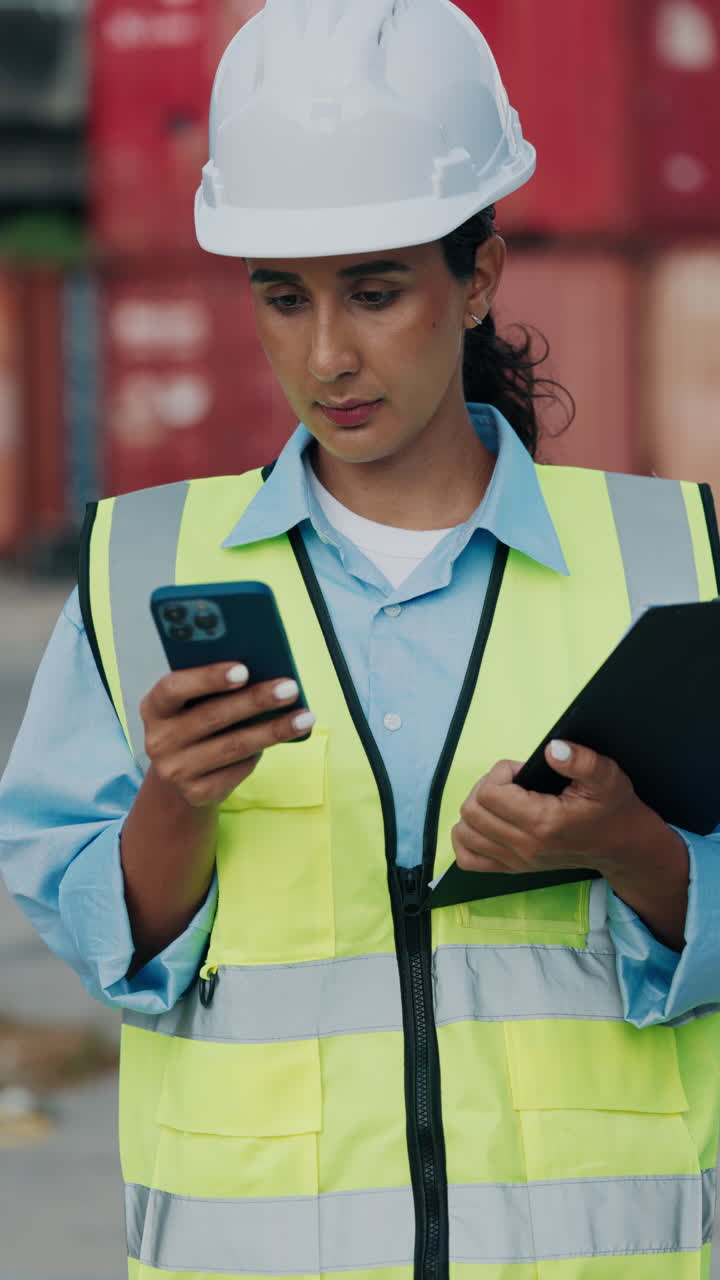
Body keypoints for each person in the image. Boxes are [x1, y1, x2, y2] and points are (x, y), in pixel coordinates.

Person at [2, 0, 720, 1275]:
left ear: (478, 278)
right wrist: (176, 798)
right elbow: (112, 953)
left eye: (377, 292)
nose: (328, 353)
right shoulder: (141, 570)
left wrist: (635, 848)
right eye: (284, 299)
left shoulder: (670, 561)